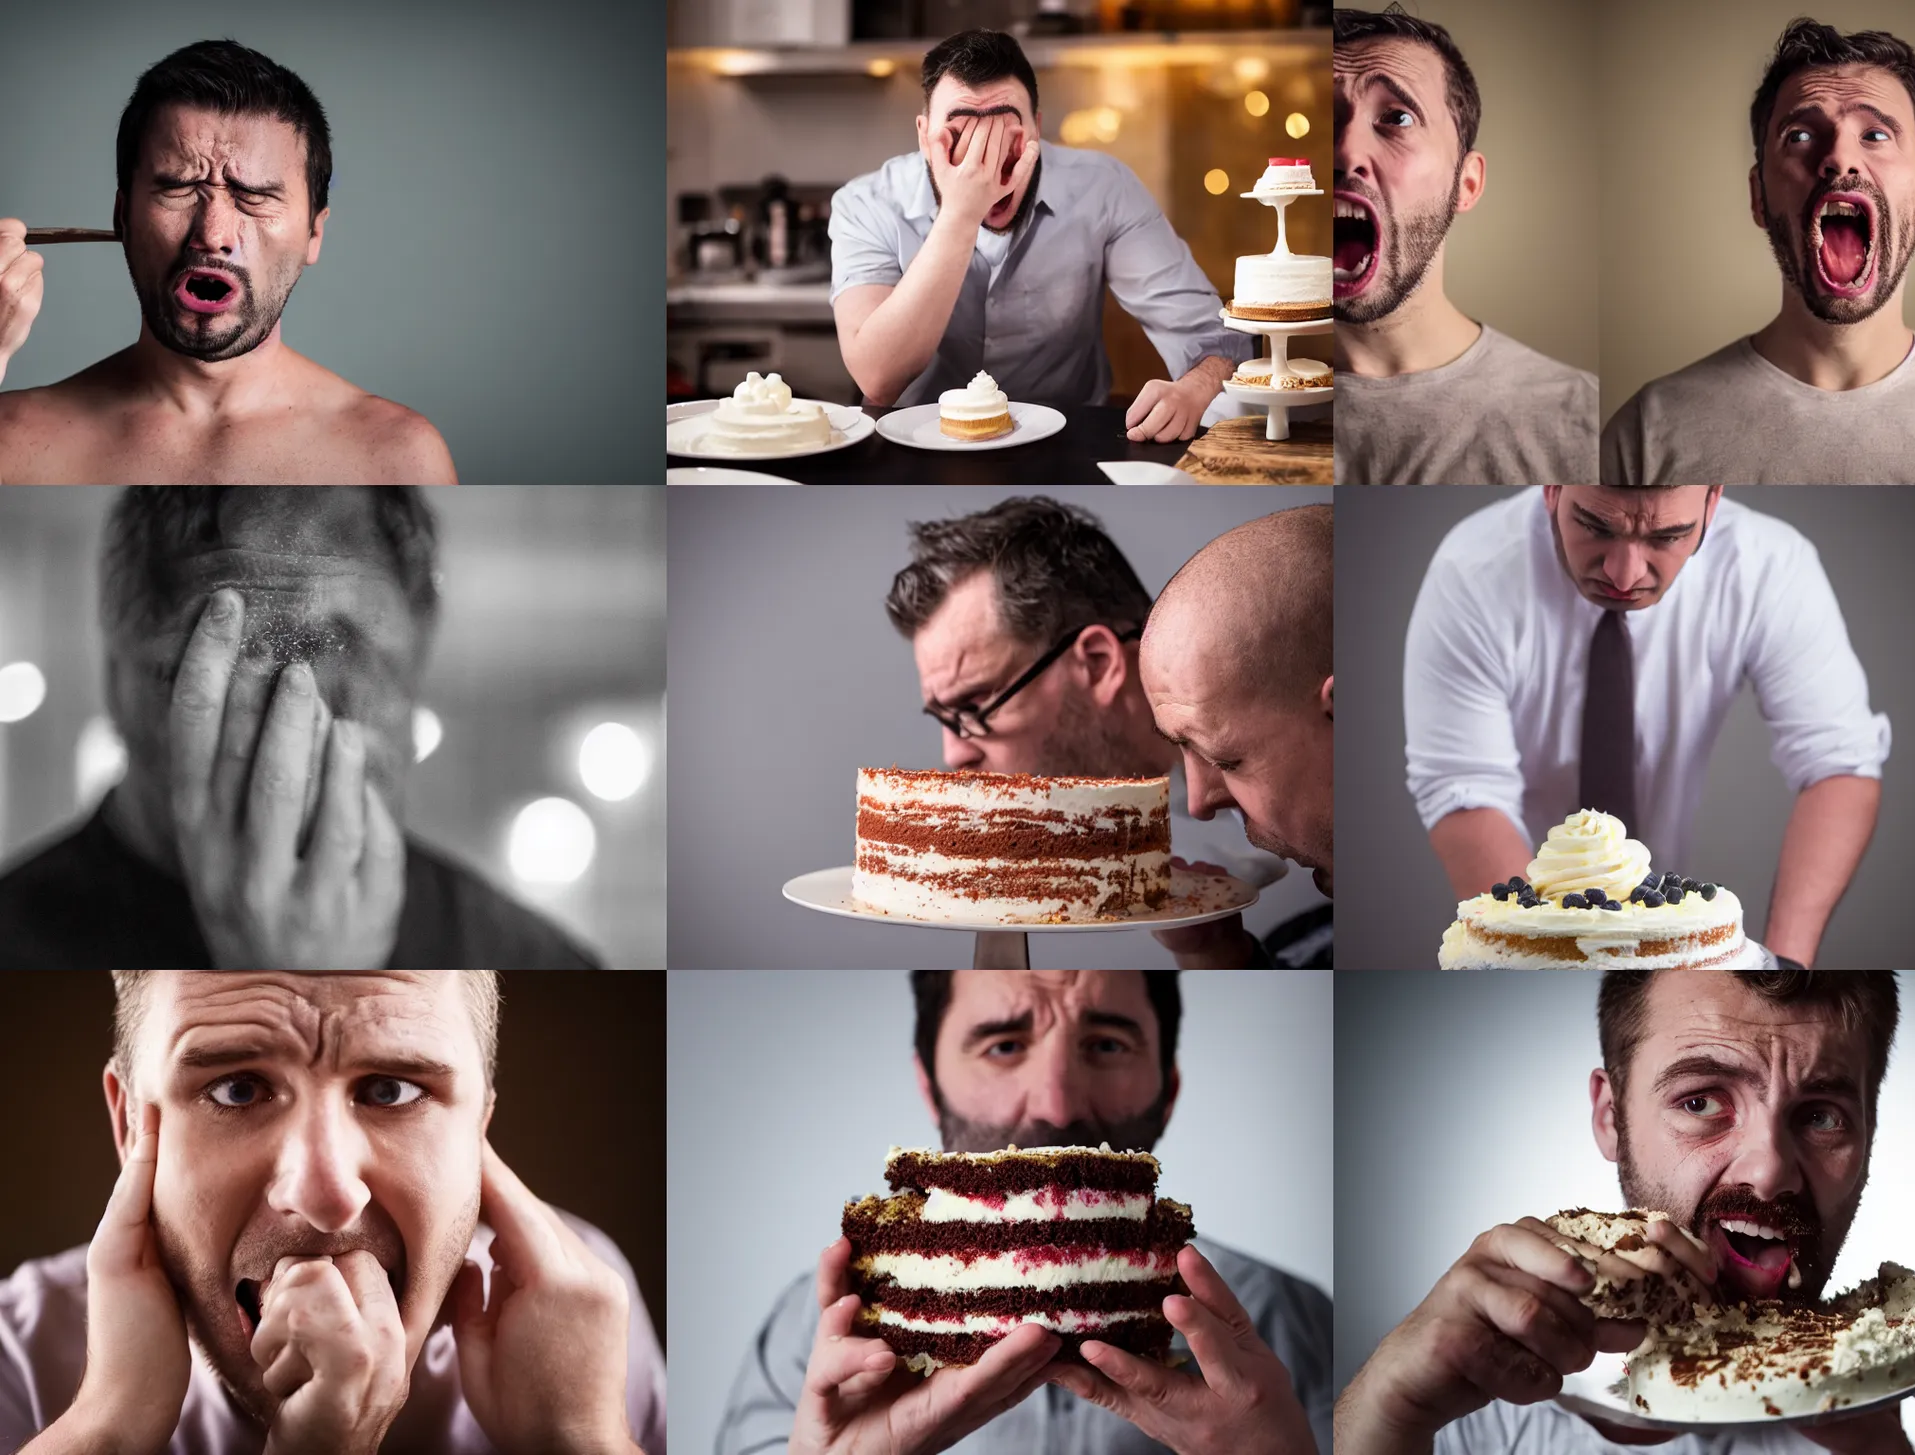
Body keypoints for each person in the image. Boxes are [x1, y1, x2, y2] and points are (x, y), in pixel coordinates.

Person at [1334, 969, 1915, 1454]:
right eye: (1701, 1100)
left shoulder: (1908, 1418)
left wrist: (1902, 1342)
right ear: (1610, 1116)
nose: (1767, 1170)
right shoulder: (1463, 1420)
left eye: (1822, 1116)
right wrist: (1379, 1419)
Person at [0, 970, 666, 1454]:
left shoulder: (583, 1310)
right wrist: (108, 1429)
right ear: (128, 1124)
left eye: (391, 1088)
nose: (326, 1193)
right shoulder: (19, 1352)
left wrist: (584, 1440)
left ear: (477, 1129)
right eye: (236, 1089)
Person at [718, 969, 1333, 1455]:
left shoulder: (1286, 1323)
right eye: (1005, 1044)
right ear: (929, 1083)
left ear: (1167, 1092)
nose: (1056, 1105)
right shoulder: (823, 1338)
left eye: (1107, 1044)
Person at [0, 487, 602, 970]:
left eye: (345, 653)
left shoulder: (536, 966)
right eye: (226, 664)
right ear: (117, 684)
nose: (295, 718)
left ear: (417, 669)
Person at [1405, 486, 1888, 969]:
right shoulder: (1471, 570)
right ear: (1551, 490)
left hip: (1666, 917)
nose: (1625, 574)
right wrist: (1544, 968)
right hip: (1507, 911)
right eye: (1596, 527)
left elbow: (1839, 764)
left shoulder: (1770, 567)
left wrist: (1784, 971)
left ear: (1711, 503)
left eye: (1669, 536)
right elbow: (1465, 788)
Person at [0, 40, 456, 484]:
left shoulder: (399, 458)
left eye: (254, 196)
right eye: (178, 187)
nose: (213, 235)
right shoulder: (13, 441)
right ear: (124, 218)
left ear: (313, 233)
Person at [883, 495, 1293, 955]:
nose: (954, 754)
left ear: (1097, 665)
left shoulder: (1303, 830)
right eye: (942, 717)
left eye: (974, 704)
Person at [1603, 19, 1915, 484]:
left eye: (1875, 135)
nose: (1839, 158)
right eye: (1801, 136)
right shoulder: (1647, 433)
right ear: (1759, 195)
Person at [830, 30, 1256, 443]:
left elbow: (1216, 341)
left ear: (1036, 127)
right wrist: (961, 212)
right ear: (925, 136)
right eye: (961, 135)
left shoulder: (1103, 188)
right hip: (910, 441)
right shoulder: (865, 203)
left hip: (1068, 440)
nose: (988, 162)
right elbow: (878, 380)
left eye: (1007, 135)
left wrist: (1197, 386)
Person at [1333, 8, 1598, 485]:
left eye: (1397, 117)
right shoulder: (1232, 399)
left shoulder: (1585, 424)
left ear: (1467, 184)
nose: (1346, 152)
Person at [1140, 504, 1332, 969]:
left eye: (1224, 760)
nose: (1199, 804)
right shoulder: (1305, 943)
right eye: (1181, 749)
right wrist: (1215, 952)